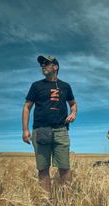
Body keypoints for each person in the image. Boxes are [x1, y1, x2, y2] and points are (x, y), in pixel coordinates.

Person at [22, 55, 77, 193]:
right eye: (42, 64)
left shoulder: (65, 86)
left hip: (61, 130)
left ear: (55, 67)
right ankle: (45, 201)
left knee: (64, 167)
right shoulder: (36, 86)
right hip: (41, 130)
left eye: (47, 63)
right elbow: (27, 107)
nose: (43, 66)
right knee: (43, 169)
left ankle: (67, 202)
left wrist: (73, 113)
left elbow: (73, 104)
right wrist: (25, 130)